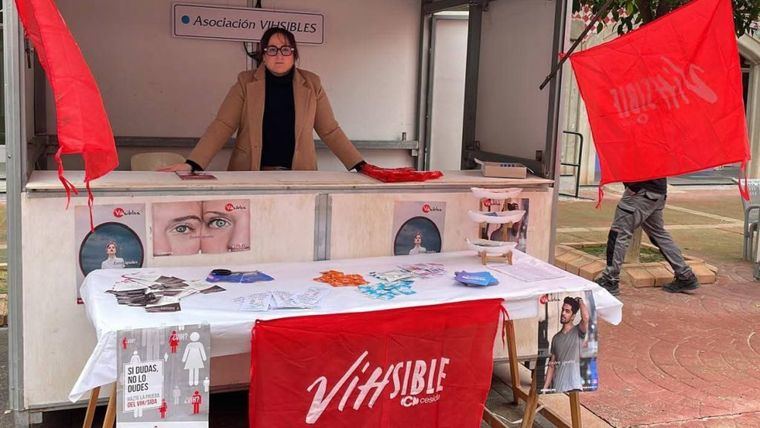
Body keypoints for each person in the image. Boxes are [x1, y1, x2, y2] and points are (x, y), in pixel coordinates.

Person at [160, 27, 365, 173]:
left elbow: (330, 130)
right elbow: (222, 125)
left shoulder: (312, 84)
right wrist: (193, 164)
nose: (279, 55)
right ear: (264, 55)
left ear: (294, 54)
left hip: (299, 173)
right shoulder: (245, 82)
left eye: (286, 49)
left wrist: (359, 165)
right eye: (272, 49)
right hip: (251, 172)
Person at [595, 179, 699, 295]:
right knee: (659, 234)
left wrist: (632, 188)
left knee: (618, 234)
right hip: (658, 192)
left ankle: (610, 280)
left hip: (640, 193)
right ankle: (686, 275)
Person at [542, 297, 588, 393]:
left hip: (574, 386)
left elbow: (586, 318)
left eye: (567, 311)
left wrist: (580, 301)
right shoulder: (556, 338)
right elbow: (551, 366)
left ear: (573, 316)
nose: (563, 313)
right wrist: (544, 389)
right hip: (558, 388)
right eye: (563, 310)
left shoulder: (578, 331)